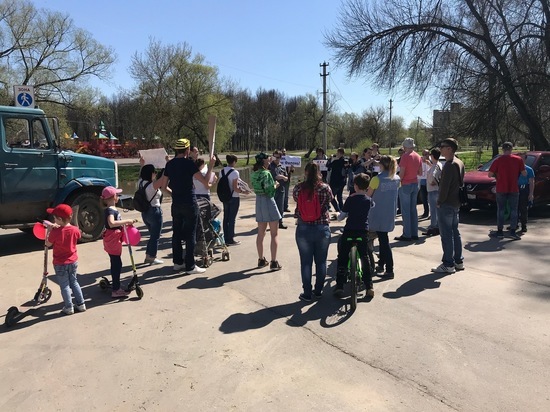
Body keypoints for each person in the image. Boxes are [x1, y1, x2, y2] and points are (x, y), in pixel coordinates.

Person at [158, 138, 215, 273]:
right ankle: (190, 265)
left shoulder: (170, 164)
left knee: (176, 233)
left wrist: (174, 194)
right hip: (189, 202)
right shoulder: (189, 164)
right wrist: (211, 165)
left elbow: (164, 186)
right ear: (187, 150)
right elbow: (205, 182)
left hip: (176, 203)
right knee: (190, 234)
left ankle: (178, 262)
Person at [292, 162, 334, 302]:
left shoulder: (298, 188)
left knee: (306, 262)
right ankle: (318, 291)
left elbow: (296, 200)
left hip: (303, 227)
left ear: (305, 172)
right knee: (321, 262)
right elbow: (330, 200)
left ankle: (307, 293)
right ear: (318, 172)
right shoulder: (325, 187)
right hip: (322, 227)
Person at [334, 173, 374, 298]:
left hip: (349, 231)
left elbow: (342, 216)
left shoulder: (350, 199)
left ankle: (340, 286)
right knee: (364, 256)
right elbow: (373, 206)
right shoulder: (369, 200)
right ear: (367, 187)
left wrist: (337, 215)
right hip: (362, 231)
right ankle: (369, 286)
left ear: (355, 186)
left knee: (342, 256)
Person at [431, 138, 465, 274]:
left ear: (450, 148)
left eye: (443, 146)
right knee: (455, 232)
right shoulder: (459, 162)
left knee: (446, 234)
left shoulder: (450, 164)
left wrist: (439, 201)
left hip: (447, 203)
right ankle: (458, 261)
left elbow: (444, 187)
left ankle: (448, 263)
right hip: (456, 202)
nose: (441, 149)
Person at [45, 204, 86, 314]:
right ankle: (81, 304)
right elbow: (78, 235)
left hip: (60, 263)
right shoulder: (75, 229)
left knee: (65, 286)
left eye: (54, 217)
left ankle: (69, 307)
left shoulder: (55, 232)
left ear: (59, 219)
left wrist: (49, 230)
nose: (53, 219)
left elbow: (47, 244)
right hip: (73, 261)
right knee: (74, 282)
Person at [367, 156, 400, 279]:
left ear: (381, 165)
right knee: (383, 238)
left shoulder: (376, 179)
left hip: (377, 213)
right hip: (389, 212)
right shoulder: (396, 179)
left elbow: (368, 195)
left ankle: (389, 269)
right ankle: (381, 264)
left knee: (384, 241)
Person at [101, 186, 137, 298]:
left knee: (116, 262)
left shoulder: (112, 209)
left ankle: (116, 285)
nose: (118, 196)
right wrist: (126, 221)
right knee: (116, 264)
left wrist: (125, 224)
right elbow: (111, 223)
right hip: (113, 240)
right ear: (113, 197)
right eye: (117, 194)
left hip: (113, 239)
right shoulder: (110, 210)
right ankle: (116, 290)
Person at [488, 142, 526, 240]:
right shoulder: (518, 160)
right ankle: (513, 231)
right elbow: (524, 173)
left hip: (501, 188)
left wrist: (497, 174)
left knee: (501, 209)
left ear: (502, 149)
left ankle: (500, 231)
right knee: (514, 210)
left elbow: (490, 175)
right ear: (512, 149)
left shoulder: (498, 160)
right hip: (514, 188)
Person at [251, 152, 282, 270]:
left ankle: (261, 259)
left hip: (259, 202)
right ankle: (274, 262)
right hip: (268, 201)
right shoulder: (266, 173)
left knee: (261, 233)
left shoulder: (254, 174)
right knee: (274, 234)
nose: (270, 160)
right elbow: (270, 191)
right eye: (268, 159)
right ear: (263, 161)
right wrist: (276, 185)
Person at [395, 138, 422, 241]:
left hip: (405, 184)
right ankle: (414, 233)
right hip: (415, 183)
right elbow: (420, 172)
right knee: (413, 210)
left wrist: (397, 181)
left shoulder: (405, 157)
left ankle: (407, 234)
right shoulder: (418, 156)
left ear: (405, 146)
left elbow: (401, 173)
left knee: (405, 211)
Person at [137, 164, 164, 265]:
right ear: (151, 173)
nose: (155, 174)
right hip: (154, 212)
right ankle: (152, 257)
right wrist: (168, 164)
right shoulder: (152, 185)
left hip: (145, 213)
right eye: (154, 172)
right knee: (155, 237)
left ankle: (148, 255)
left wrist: (142, 164)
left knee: (152, 236)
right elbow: (163, 179)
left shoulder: (140, 183)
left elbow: (141, 174)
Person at [220, 154, 244, 245]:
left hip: (225, 197)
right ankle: (230, 239)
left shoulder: (221, 171)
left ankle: (225, 238)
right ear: (234, 162)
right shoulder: (235, 172)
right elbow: (235, 187)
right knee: (232, 218)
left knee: (226, 218)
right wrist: (242, 191)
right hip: (234, 197)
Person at [424, 148, 443, 236]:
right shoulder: (437, 164)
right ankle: (437, 226)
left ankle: (433, 227)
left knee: (433, 210)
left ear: (432, 156)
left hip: (433, 190)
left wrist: (433, 181)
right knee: (436, 210)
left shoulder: (436, 166)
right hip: (435, 190)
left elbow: (434, 175)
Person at [268, 150, 289, 229]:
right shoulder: (270, 166)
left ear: (280, 158)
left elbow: (286, 177)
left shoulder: (282, 166)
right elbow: (275, 176)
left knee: (280, 207)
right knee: (272, 207)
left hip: (281, 189)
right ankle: (272, 223)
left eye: (278, 157)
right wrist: (283, 177)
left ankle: (280, 222)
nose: (276, 159)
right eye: (274, 157)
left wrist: (284, 177)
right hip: (272, 189)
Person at [517, 152, 535, 233]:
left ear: (525, 159)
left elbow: (531, 182)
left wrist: (531, 194)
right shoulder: (514, 169)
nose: (521, 160)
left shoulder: (529, 169)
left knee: (523, 208)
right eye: (519, 158)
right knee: (514, 208)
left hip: (524, 190)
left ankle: (524, 226)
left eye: (522, 158)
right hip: (514, 190)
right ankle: (514, 224)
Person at [326, 147, 346, 212]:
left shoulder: (336, 161)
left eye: (337, 153)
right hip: (342, 181)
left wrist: (331, 159)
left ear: (340, 153)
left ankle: (337, 209)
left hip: (335, 182)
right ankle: (342, 210)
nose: (336, 154)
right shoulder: (345, 161)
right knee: (339, 197)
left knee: (331, 196)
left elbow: (328, 165)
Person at [418, 149, 432, 218]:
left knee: (431, 199)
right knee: (424, 198)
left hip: (430, 182)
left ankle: (432, 213)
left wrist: (428, 163)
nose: (425, 156)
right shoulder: (420, 161)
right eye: (423, 154)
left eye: (426, 154)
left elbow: (434, 169)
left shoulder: (432, 161)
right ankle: (426, 212)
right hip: (423, 182)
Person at [281, 148, 294, 212]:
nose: (284, 153)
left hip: (287, 179)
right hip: (279, 180)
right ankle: (280, 206)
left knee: (286, 194)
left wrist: (291, 167)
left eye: (284, 151)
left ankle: (285, 207)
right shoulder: (278, 160)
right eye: (282, 151)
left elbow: (292, 171)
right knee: (279, 194)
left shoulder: (289, 160)